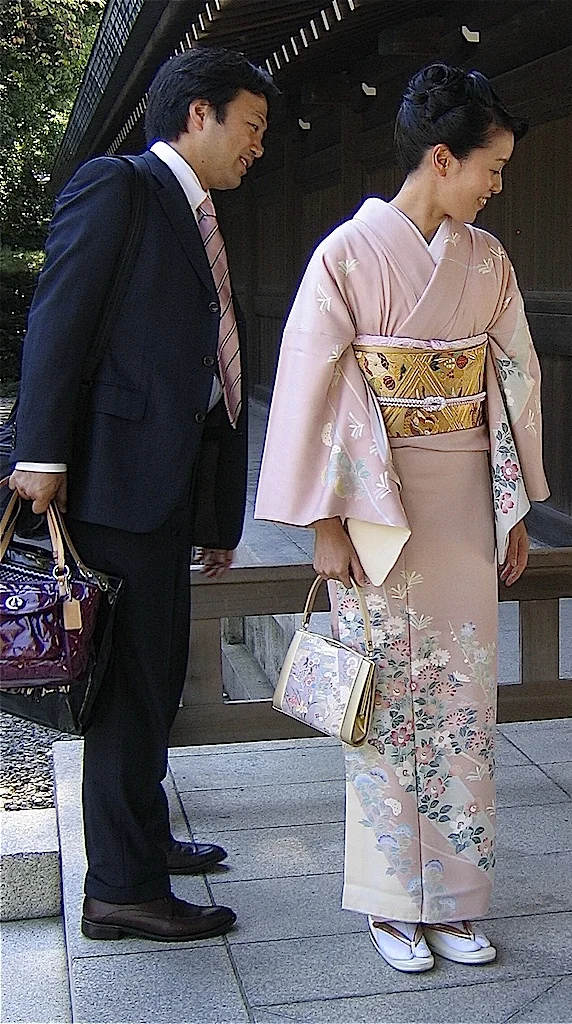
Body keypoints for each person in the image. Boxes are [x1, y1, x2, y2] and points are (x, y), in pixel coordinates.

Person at [255, 63, 549, 971]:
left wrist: (513, 507)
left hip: (462, 493)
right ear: (440, 156)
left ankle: (456, 897)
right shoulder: (345, 255)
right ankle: (390, 901)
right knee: (381, 706)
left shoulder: (487, 260)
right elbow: (314, 386)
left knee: (461, 699)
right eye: (489, 168)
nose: (497, 186)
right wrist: (324, 522)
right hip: (374, 507)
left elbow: (514, 380)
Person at [9, 48, 278, 941]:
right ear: (198, 114)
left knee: (154, 677)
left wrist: (212, 512)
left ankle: (143, 839)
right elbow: (60, 315)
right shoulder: (119, 187)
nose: (258, 148)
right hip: (109, 490)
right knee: (128, 688)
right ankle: (120, 887)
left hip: (161, 493)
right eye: (251, 126)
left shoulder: (194, 210)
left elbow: (200, 369)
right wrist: (40, 451)